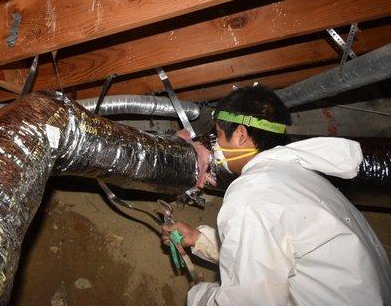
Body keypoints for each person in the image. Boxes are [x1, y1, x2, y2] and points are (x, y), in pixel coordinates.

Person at [163, 85, 391, 306]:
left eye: (220, 135)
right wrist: (197, 239)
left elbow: (249, 302)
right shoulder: (298, 172)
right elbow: (274, 250)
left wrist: (198, 296)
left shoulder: (251, 196)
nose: (216, 146)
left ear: (241, 135)